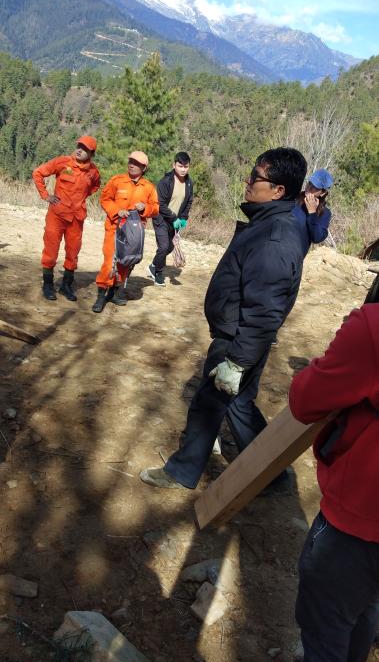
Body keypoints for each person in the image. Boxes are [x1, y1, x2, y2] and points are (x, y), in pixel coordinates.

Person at [227, 304, 379, 662]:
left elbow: (306, 399)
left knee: (326, 623)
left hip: (361, 514)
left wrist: (324, 365)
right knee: (365, 609)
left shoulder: (372, 328)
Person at [139, 147, 307, 491]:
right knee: (239, 405)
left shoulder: (275, 237)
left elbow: (265, 310)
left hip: (238, 339)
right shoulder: (270, 223)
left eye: (256, 177)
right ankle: (274, 474)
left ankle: (181, 471)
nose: (248, 182)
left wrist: (237, 361)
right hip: (241, 335)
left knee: (208, 403)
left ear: (278, 190)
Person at [33, 136, 100, 301]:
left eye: (84, 149)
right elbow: (38, 173)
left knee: (73, 252)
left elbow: (95, 186)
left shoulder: (93, 172)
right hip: (57, 215)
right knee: (50, 250)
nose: (79, 150)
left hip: (77, 218)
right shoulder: (62, 162)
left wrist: (80, 199)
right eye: (78, 146)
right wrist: (46, 195)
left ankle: (66, 285)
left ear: (91, 153)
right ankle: (48, 285)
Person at [92, 151, 159, 313]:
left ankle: (115, 293)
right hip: (114, 227)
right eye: (130, 161)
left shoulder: (149, 187)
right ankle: (101, 295)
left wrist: (145, 208)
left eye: (136, 163)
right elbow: (105, 198)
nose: (131, 164)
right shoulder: (117, 181)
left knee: (125, 262)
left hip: (134, 233)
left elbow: (156, 209)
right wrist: (116, 210)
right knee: (109, 262)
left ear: (144, 168)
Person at [147, 152, 194, 286]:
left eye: (186, 166)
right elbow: (160, 204)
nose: (183, 169)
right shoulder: (165, 181)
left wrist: (183, 218)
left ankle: (153, 265)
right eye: (180, 166)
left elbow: (189, 201)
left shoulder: (189, 183)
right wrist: (174, 218)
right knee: (163, 247)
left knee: (169, 248)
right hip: (161, 218)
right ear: (174, 165)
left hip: (175, 222)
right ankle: (158, 272)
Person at [292, 168, 333, 257]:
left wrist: (312, 213)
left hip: (295, 258)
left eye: (315, 187)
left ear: (323, 193)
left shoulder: (324, 213)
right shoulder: (293, 198)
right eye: (310, 183)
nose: (309, 187)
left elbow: (317, 237)